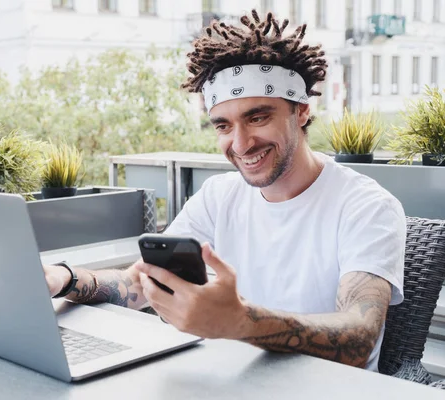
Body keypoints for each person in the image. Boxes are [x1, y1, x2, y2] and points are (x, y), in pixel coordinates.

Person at [43, 10, 405, 371]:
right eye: (223, 126)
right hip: (234, 378)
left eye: (257, 117)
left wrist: (242, 322)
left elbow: (359, 337)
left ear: (301, 112)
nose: (241, 143)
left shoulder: (366, 206)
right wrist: (64, 278)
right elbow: (139, 283)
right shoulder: (219, 196)